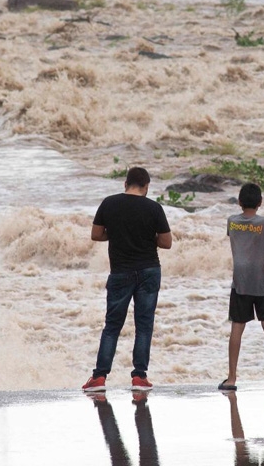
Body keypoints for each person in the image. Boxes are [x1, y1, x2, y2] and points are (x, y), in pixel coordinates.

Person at [83, 167, 173, 393]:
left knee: (112, 325)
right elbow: (166, 242)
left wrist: (115, 234)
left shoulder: (109, 203)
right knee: (144, 325)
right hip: (149, 270)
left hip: (120, 272)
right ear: (146, 186)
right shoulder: (154, 208)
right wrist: (147, 237)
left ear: (125, 184)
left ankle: (100, 377)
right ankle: (139, 377)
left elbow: (96, 234)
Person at [218, 183, 264, 391]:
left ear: (239, 202)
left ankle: (231, 379)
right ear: (260, 203)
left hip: (240, 282)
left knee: (237, 327)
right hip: (262, 282)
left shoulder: (232, 222)